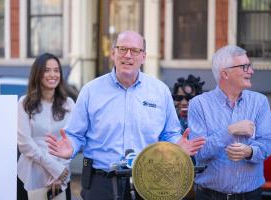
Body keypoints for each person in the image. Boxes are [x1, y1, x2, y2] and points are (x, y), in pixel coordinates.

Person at [46, 30, 205, 200]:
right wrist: (70, 147)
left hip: (149, 182)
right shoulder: (91, 91)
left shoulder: (160, 91)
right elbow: (75, 135)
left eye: (135, 51)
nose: (128, 55)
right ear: (113, 53)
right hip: (101, 183)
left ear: (143, 57)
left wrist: (176, 147)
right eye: (122, 49)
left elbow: (170, 133)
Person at [188, 45, 271, 200]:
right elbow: (200, 154)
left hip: (251, 196)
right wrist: (229, 131)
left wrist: (250, 152)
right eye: (244, 67)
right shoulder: (198, 104)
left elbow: (268, 143)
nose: (251, 71)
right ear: (225, 73)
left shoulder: (259, 102)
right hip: (209, 196)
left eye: (250, 66)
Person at [17, 53, 75, 200]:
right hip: (31, 175)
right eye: (47, 70)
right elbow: (24, 144)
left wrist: (61, 172)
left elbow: (71, 141)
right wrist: (54, 168)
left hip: (61, 178)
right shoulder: (24, 103)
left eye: (56, 70)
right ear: (38, 73)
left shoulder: (68, 104)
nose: (52, 74)